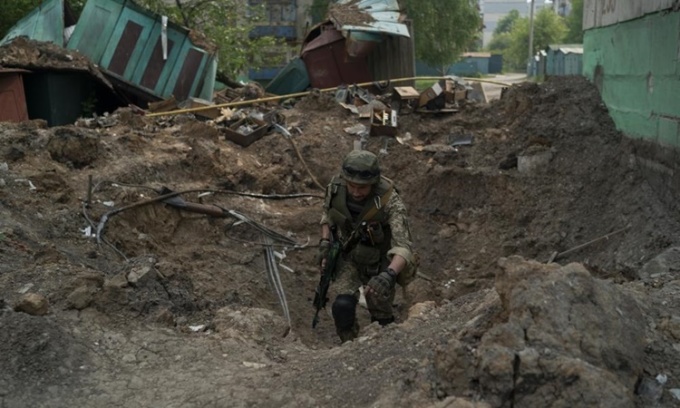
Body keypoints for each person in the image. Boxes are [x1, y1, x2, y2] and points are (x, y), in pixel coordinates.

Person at [316, 149, 417, 342]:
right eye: (352, 186)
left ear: (373, 183)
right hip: (349, 258)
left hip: (379, 263)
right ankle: (349, 345)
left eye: (362, 187)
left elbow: (403, 246)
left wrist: (389, 274)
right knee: (342, 307)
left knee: (381, 316)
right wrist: (325, 243)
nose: (356, 192)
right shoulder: (336, 188)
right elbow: (327, 215)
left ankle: (382, 347)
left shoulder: (390, 201)